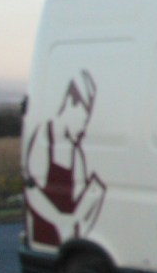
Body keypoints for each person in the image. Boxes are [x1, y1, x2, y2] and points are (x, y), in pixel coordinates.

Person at [23, 70, 106, 246]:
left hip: (68, 238)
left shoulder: (76, 153)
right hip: (47, 235)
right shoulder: (44, 137)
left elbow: (80, 197)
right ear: (70, 103)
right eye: (84, 120)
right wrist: (59, 221)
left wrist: (81, 224)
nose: (83, 128)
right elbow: (32, 190)